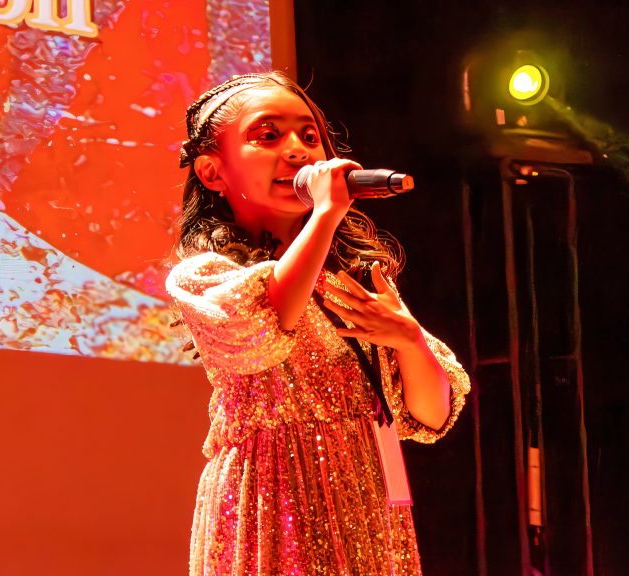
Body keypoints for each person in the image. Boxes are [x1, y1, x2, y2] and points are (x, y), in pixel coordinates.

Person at [166, 71, 471, 575]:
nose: (298, 151)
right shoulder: (207, 277)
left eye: (310, 137)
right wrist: (327, 214)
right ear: (212, 172)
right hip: (270, 499)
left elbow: (431, 416)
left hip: (368, 501)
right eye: (268, 135)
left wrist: (409, 340)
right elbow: (266, 327)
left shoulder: (352, 281)